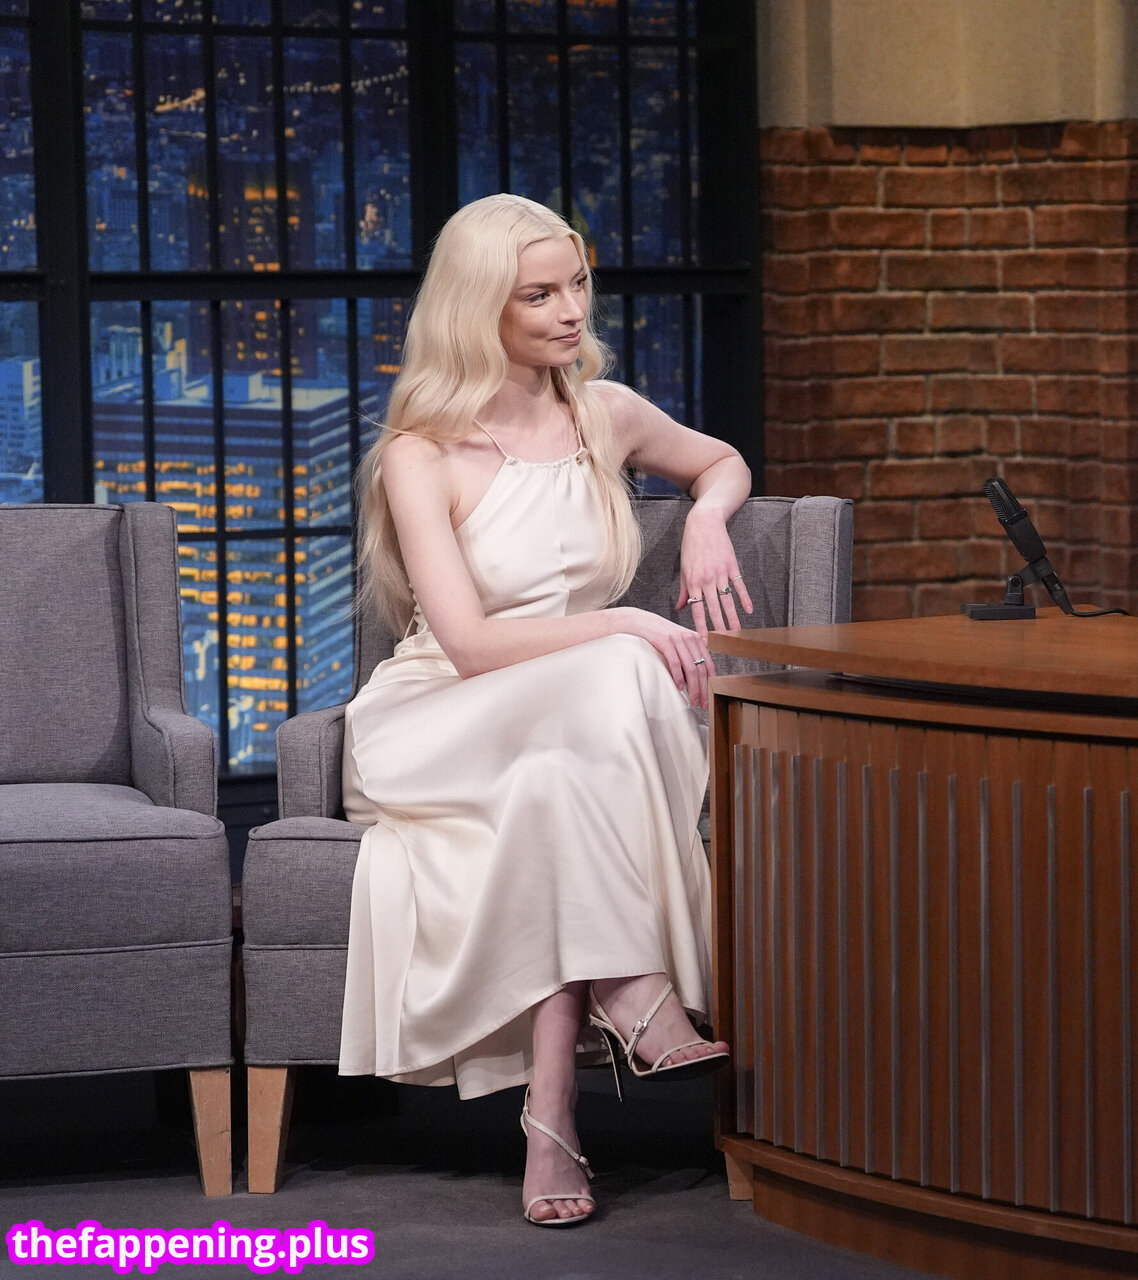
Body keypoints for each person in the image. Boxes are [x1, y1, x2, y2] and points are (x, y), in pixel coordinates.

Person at [340, 194, 753, 1227]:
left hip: (581, 724)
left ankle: (554, 1110)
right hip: (442, 716)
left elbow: (721, 459)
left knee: (558, 778)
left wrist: (708, 518)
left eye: (577, 284)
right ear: (478, 305)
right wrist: (624, 622)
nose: (571, 310)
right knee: (620, 668)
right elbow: (470, 646)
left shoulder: (603, 414)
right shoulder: (421, 453)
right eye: (538, 294)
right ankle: (636, 989)